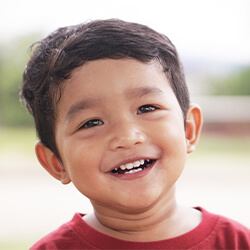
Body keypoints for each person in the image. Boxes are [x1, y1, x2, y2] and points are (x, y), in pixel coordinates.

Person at [20, 19, 250, 249]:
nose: (128, 137)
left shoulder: (237, 242)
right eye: (91, 123)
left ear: (189, 128)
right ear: (56, 163)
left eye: (147, 108)